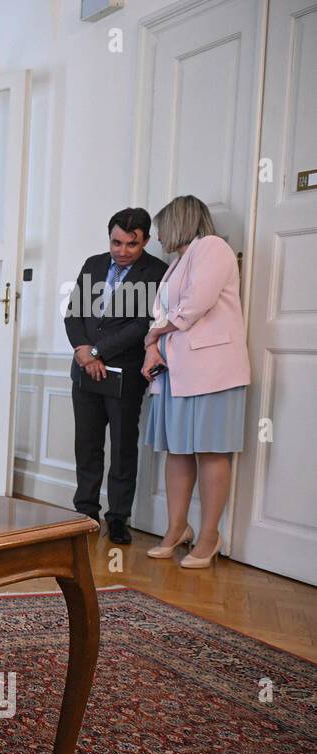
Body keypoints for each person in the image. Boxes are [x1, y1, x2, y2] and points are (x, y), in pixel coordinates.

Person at [141, 195, 250, 568]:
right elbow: (163, 314)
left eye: (161, 227)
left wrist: (152, 337)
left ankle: (209, 536)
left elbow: (194, 304)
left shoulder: (213, 248)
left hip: (213, 370)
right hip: (177, 371)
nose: (157, 236)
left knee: (212, 451)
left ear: (180, 222)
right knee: (178, 451)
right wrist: (153, 348)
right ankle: (176, 529)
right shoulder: (177, 263)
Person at [64, 207, 168, 544]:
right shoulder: (94, 264)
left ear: (146, 242)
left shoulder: (157, 272)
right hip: (85, 373)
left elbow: (142, 325)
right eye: (117, 242)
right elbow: (74, 313)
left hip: (125, 376)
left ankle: (119, 518)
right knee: (88, 446)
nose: (122, 251)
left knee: (123, 449)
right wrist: (83, 351)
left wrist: (98, 352)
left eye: (132, 244)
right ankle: (86, 513)